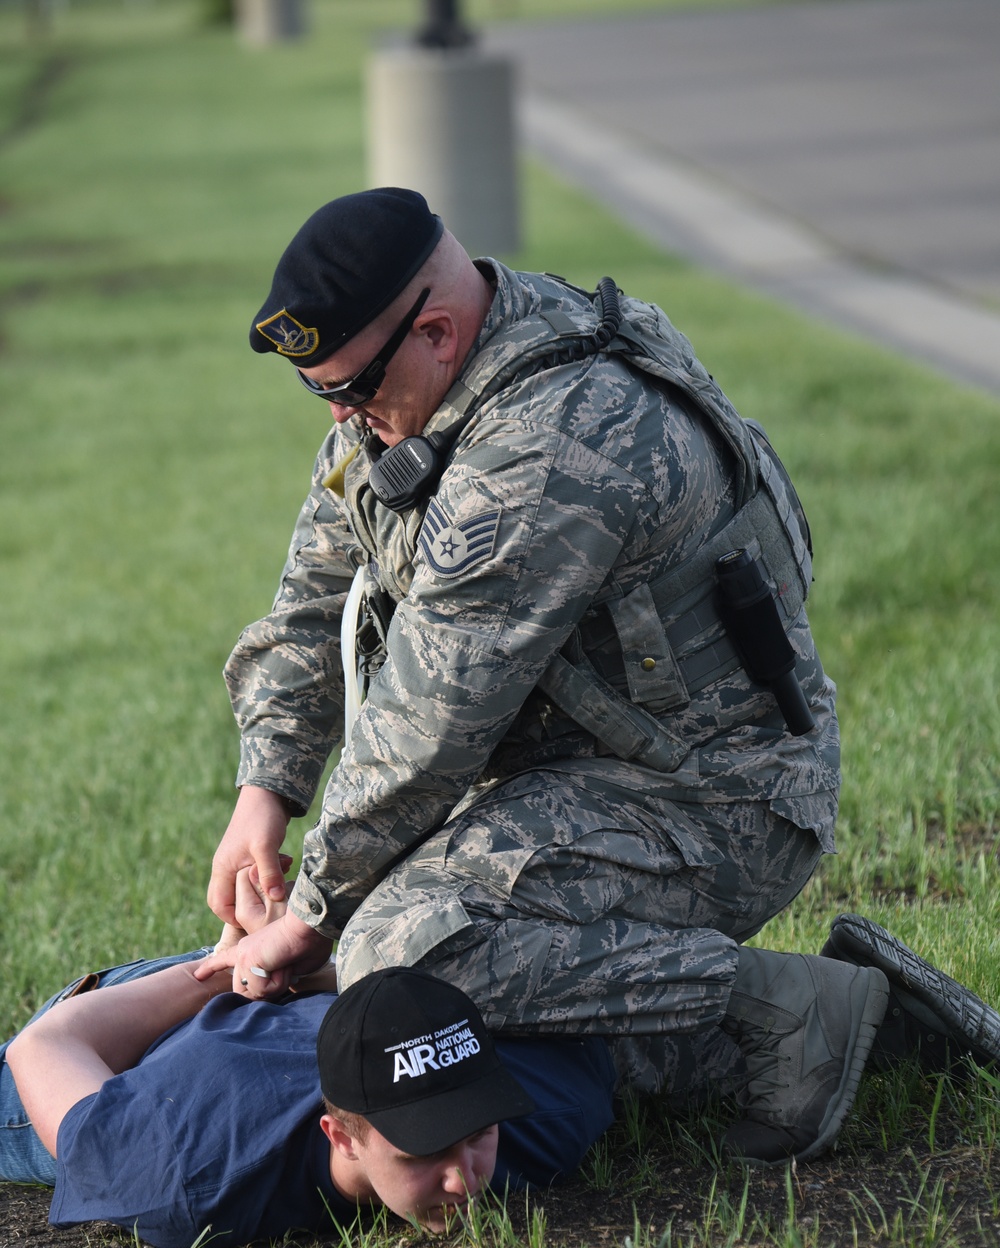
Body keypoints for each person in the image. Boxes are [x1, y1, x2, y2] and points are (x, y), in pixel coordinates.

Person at [196, 187, 891, 1165]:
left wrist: (312, 915)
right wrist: (261, 799)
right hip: (589, 776)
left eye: (348, 390)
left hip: (719, 801)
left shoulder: (552, 441)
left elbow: (426, 728)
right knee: (414, 958)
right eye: (322, 394)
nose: (341, 418)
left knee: (396, 953)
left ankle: (778, 1009)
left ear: (435, 329)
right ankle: (878, 1027)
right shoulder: (417, 395)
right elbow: (315, 599)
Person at [1, 948, 617, 1248]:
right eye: (423, 1148)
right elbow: (44, 1045)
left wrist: (305, 963)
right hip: (126, 1033)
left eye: (477, 1130)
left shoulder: (552, 1110)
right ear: (340, 1135)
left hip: (311, 990)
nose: (465, 1180)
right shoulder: (184, 1172)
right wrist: (233, 968)